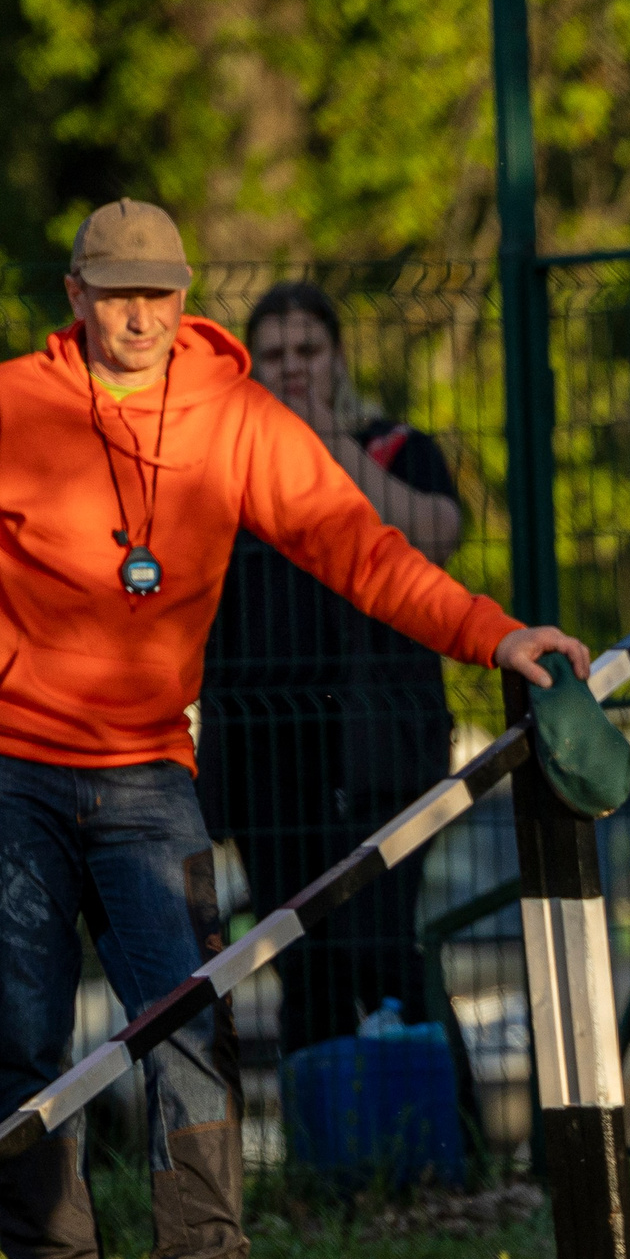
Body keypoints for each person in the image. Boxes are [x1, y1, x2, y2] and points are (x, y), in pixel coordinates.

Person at [0, 201, 588, 1259]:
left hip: (149, 768)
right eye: (115, 293)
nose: (139, 316)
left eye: (158, 292)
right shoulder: (6, 404)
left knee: (190, 1021)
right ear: (76, 295)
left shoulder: (238, 418)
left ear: (185, 294)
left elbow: (364, 552)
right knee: (23, 1035)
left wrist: (492, 635)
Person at [198, 283, 462, 1056]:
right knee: (301, 964)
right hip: (266, 759)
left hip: (379, 751)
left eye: (307, 351)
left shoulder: (394, 448)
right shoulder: (226, 471)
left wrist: (327, 446)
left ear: (337, 357)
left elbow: (438, 537)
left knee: (383, 948)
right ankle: (329, 1162)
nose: (293, 368)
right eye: (273, 356)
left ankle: (441, 1142)